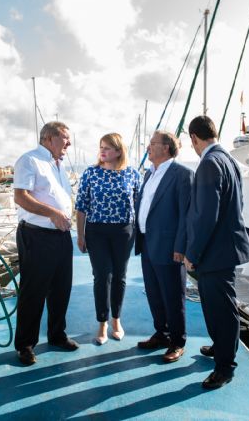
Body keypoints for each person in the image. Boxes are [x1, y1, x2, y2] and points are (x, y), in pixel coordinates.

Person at [183, 115, 249, 389]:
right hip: (226, 248)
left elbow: (205, 216)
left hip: (215, 252)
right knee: (219, 308)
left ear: (194, 138)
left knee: (222, 310)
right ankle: (221, 347)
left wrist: (193, 252)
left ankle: (225, 367)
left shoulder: (209, 164)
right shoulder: (228, 160)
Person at [13, 121, 79, 366]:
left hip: (61, 236)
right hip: (36, 236)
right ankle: (25, 345)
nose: (69, 144)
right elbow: (21, 196)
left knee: (62, 288)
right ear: (49, 138)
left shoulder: (57, 164)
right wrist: (52, 213)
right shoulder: (30, 160)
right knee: (33, 291)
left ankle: (57, 335)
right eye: (65, 138)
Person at [134, 130, 194, 363]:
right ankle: (162, 333)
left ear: (166, 148)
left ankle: (177, 341)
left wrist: (181, 247)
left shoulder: (182, 175)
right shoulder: (150, 174)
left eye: (152, 143)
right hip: (148, 242)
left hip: (170, 246)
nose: (148, 146)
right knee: (154, 293)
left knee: (172, 295)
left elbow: (186, 215)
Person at [75, 133, 140, 345]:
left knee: (120, 276)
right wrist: (81, 234)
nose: (102, 151)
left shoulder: (132, 173)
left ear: (119, 151)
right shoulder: (91, 173)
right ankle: (102, 323)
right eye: (101, 147)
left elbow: (140, 206)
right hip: (97, 231)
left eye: (108, 148)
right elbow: (82, 206)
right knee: (102, 276)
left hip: (124, 231)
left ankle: (116, 321)